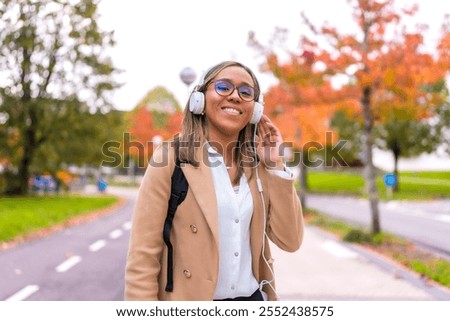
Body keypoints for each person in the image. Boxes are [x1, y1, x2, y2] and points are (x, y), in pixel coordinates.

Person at [125, 61, 304, 301]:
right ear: (200, 99)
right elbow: (143, 257)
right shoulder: (170, 159)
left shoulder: (260, 166)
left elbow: (290, 240)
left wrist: (276, 166)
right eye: (223, 87)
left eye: (246, 92)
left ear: (256, 109)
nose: (235, 96)